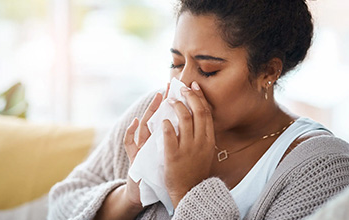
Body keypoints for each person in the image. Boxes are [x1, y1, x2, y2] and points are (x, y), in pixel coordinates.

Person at [48, 0, 349, 219]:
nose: (183, 84)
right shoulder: (154, 113)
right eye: (177, 63)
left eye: (207, 70)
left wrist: (190, 191)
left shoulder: (325, 168)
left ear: (268, 72)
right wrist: (131, 196)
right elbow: (61, 207)